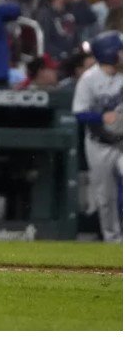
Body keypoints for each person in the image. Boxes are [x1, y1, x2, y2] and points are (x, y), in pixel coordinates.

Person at [72, 31, 122, 242]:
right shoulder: (89, 79)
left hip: (122, 142)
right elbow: (79, 113)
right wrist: (101, 117)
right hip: (98, 143)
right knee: (105, 197)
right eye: (120, 50)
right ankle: (113, 240)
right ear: (110, 53)